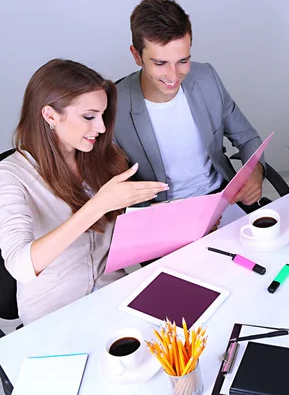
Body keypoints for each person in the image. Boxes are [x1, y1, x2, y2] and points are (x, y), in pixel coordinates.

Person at [0, 59, 167, 325]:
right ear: (50, 115)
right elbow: (20, 265)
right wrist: (97, 206)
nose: (100, 128)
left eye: (102, 115)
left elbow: (126, 232)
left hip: (116, 296)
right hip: (54, 315)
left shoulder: (102, 157)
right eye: (89, 117)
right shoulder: (10, 175)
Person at [114, 0, 265, 212]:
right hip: (161, 212)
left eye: (183, 61)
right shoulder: (114, 106)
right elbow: (110, 186)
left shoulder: (206, 77)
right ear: (137, 55)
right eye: (160, 63)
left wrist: (255, 170)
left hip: (221, 198)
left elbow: (247, 137)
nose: (174, 75)